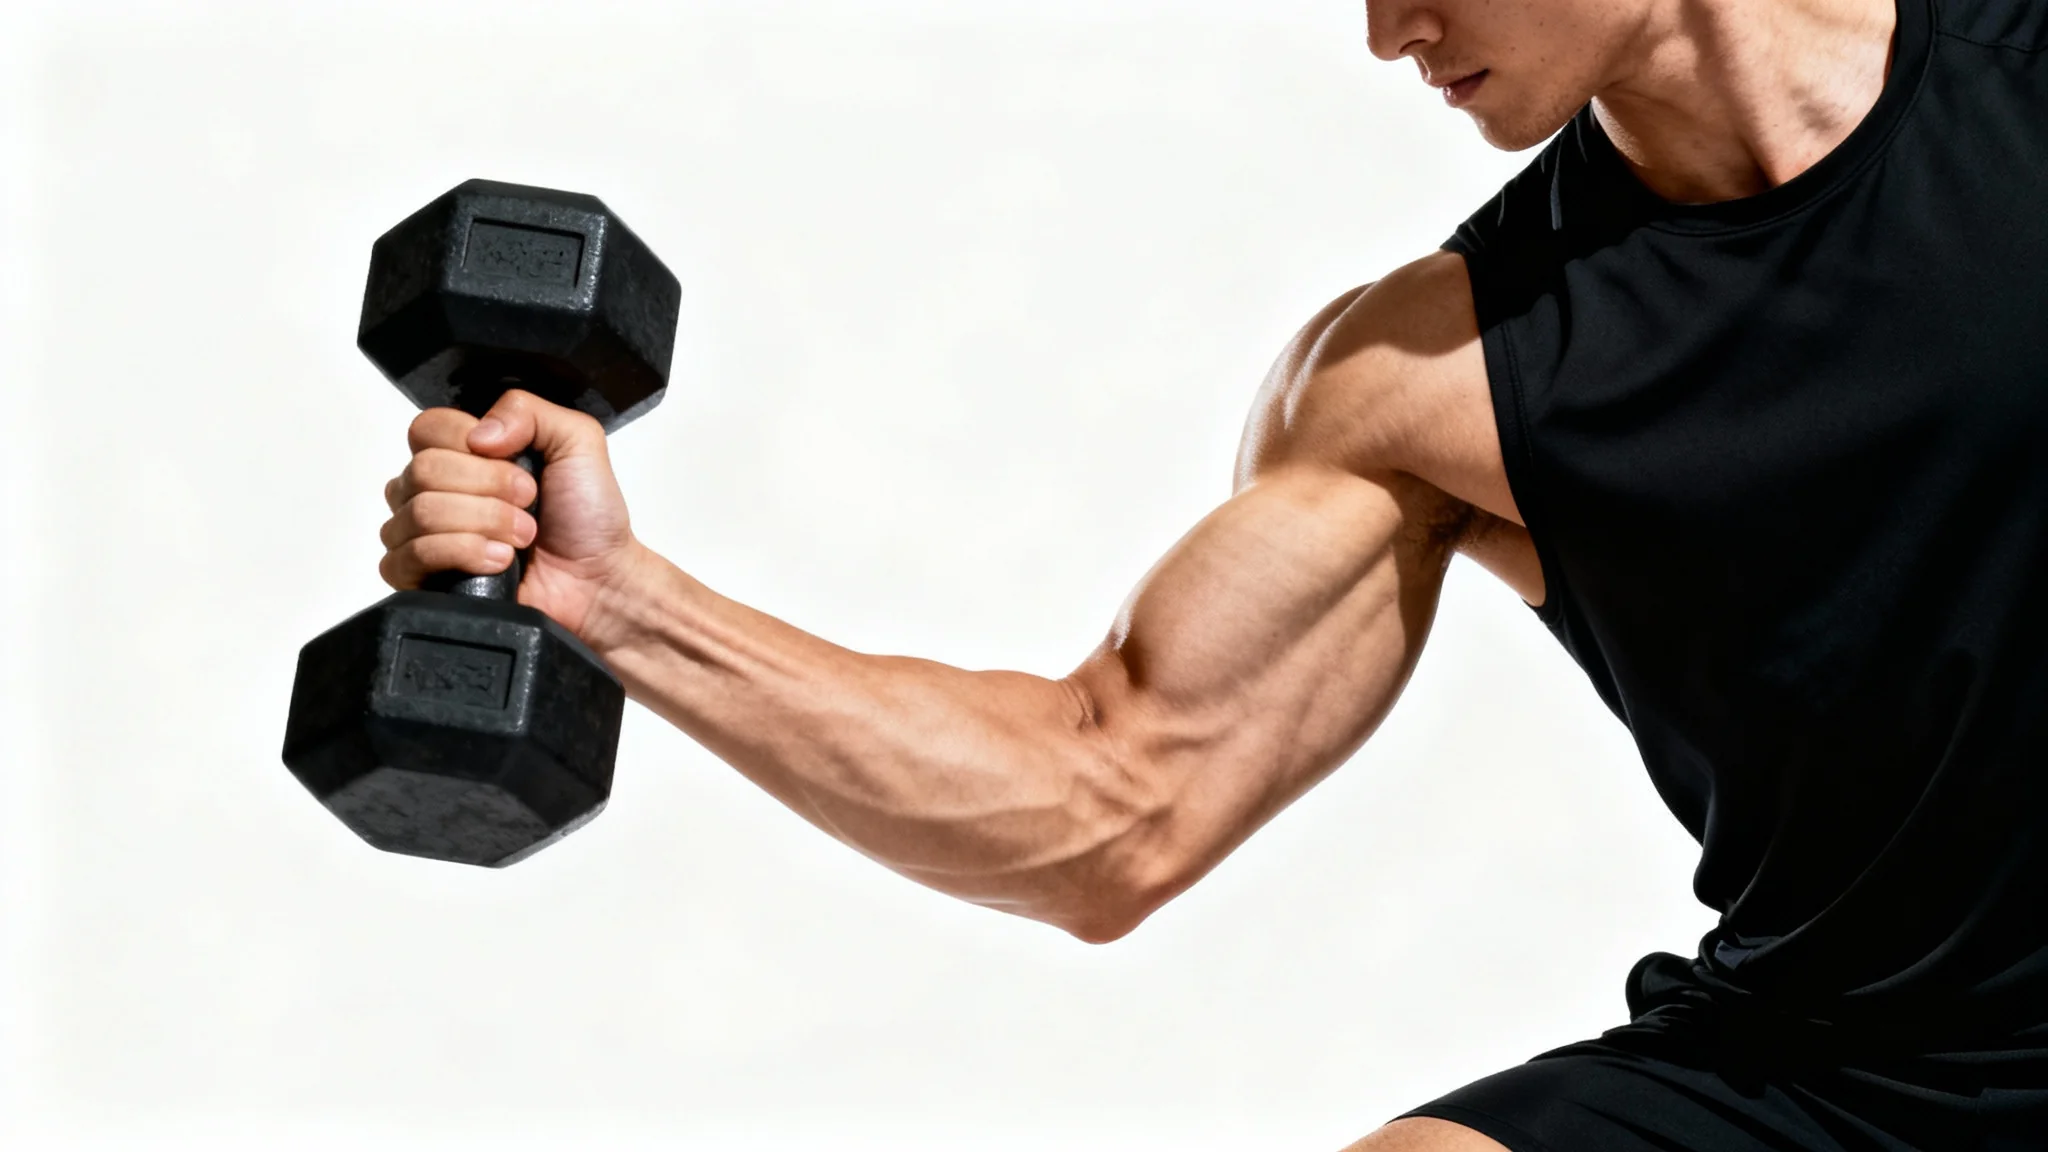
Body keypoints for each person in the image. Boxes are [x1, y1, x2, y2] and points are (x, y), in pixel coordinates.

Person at [374, 0, 2048, 1146]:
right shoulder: (1441, 376)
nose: (1386, 27)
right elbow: (1115, 806)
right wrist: (616, 599)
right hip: (1835, 1078)